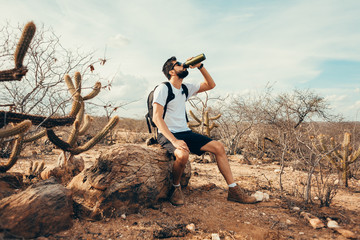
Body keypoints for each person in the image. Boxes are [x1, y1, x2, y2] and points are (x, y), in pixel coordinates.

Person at [152, 56, 258, 206]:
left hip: (184, 132)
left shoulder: (184, 88)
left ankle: (233, 190)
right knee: (182, 155)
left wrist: (200, 66)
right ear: (171, 71)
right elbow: (157, 118)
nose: (183, 65)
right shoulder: (163, 88)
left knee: (218, 147)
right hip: (167, 133)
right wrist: (174, 141)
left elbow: (210, 84)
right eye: (179, 64)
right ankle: (175, 188)